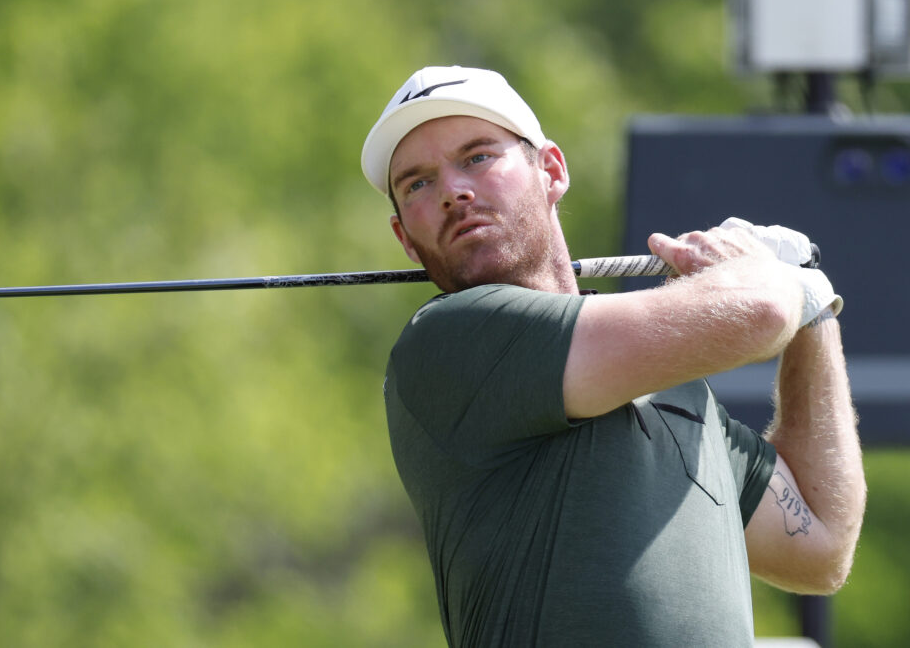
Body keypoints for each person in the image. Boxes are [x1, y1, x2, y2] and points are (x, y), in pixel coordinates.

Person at [360, 65, 866, 646]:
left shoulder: (674, 385)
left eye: (476, 157)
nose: (452, 190)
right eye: (418, 183)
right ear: (404, 236)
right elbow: (759, 315)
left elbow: (823, 545)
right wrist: (767, 276)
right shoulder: (448, 341)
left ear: (550, 170)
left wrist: (816, 310)